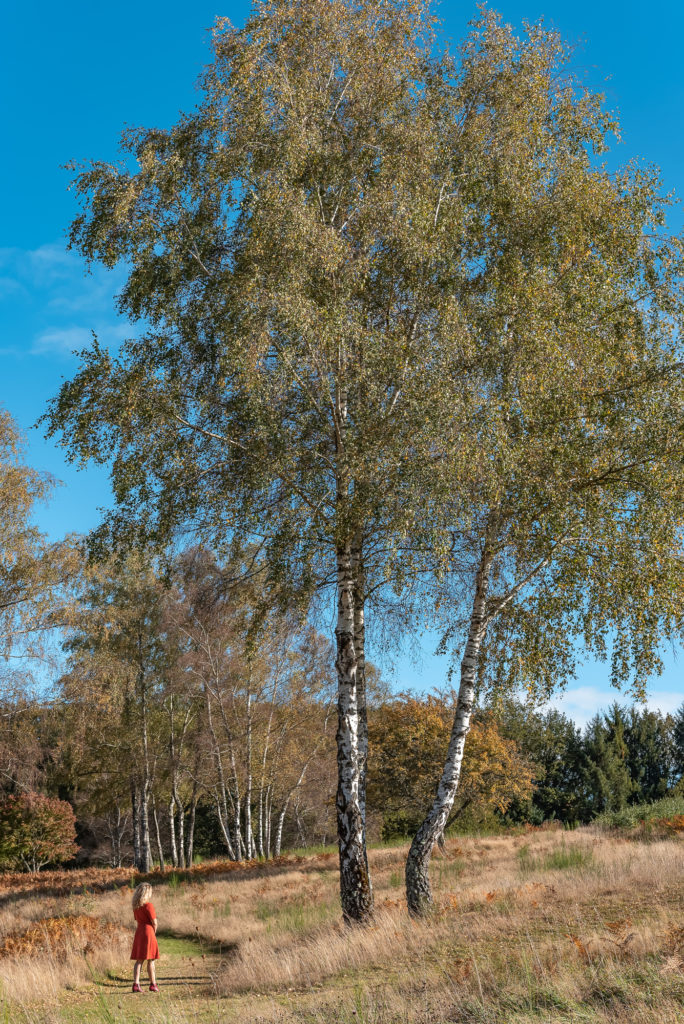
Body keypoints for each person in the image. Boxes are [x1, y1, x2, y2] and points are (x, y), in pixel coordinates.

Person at [130, 882, 160, 992]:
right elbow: (154, 922)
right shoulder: (149, 906)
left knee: (139, 960)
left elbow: (137, 920)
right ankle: (153, 984)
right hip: (148, 931)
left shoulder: (136, 907)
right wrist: (153, 932)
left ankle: (136, 984)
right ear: (147, 893)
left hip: (139, 931)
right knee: (151, 960)